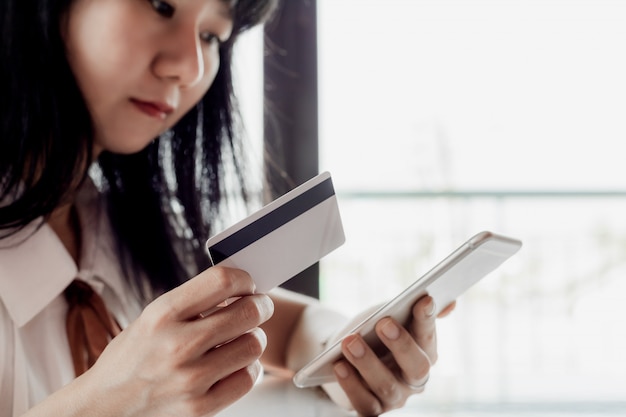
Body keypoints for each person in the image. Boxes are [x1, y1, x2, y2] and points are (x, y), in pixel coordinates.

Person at [0, 1, 454, 416]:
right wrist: (114, 397)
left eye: (212, 36)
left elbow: (288, 327)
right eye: (162, 6)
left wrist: (343, 348)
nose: (190, 67)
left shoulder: (112, 225)